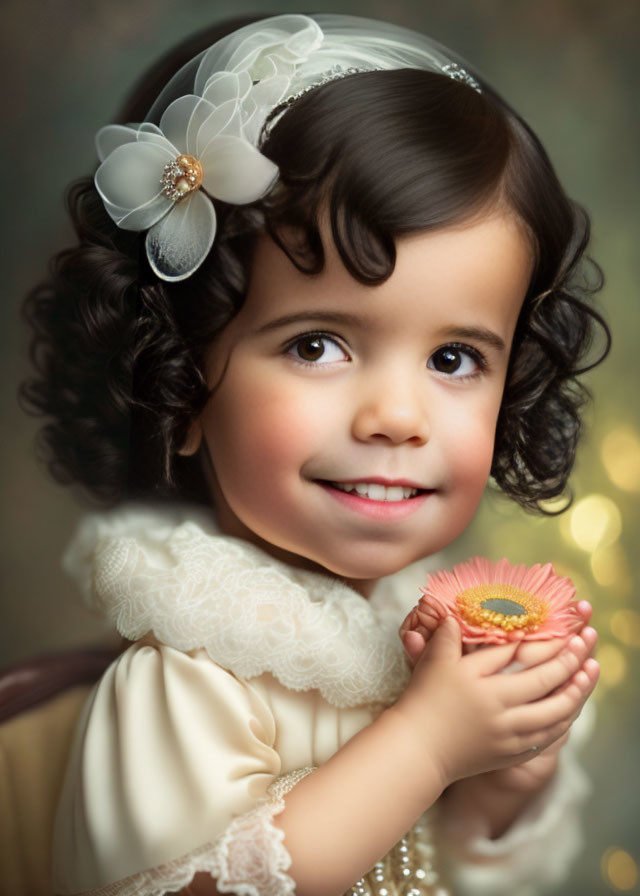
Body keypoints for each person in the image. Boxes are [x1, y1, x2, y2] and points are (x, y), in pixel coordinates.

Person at [20, 12, 609, 896]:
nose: (397, 417)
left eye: (454, 359)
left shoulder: (426, 636)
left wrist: (500, 789)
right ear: (179, 386)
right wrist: (423, 746)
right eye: (317, 346)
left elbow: (435, 873)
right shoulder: (186, 681)